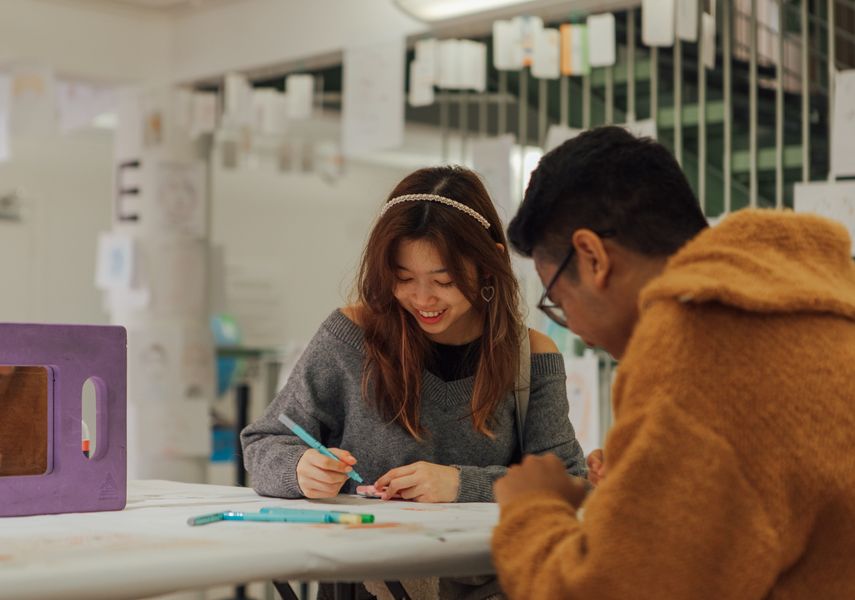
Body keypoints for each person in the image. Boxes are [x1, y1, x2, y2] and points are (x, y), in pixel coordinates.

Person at [491, 125, 855, 598]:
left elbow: (609, 590)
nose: (572, 324)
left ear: (593, 257)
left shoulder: (695, 343)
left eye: (558, 298)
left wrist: (533, 508)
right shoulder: (814, 303)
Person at [241, 165, 587, 507]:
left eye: (444, 281)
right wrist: (299, 469)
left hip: (484, 561)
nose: (423, 299)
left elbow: (570, 481)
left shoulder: (530, 356)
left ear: (488, 267)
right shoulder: (350, 337)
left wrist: (461, 484)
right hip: (362, 555)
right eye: (403, 278)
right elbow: (263, 444)